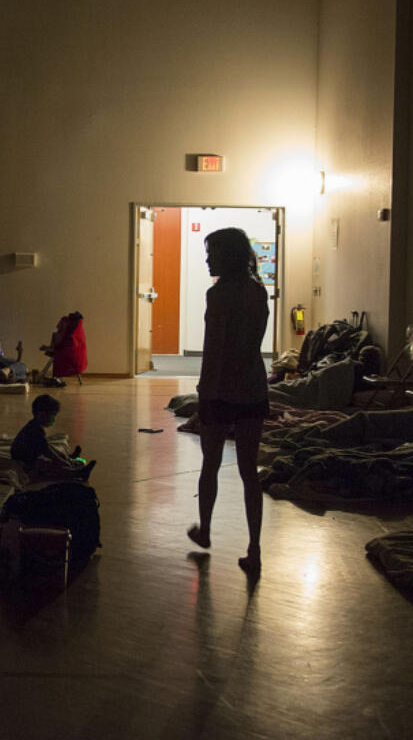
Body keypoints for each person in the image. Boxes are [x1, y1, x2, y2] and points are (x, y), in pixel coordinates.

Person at [187, 227, 269, 576]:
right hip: (251, 388)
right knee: (250, 472)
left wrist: (204, 393)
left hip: (220, 391)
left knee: (210, 464)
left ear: (228, 255)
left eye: (212, 253)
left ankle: (205, 531)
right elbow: (249, 346)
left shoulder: (217, 295)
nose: (208, 260)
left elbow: (215, 350)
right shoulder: (258, 292)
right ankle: (254, 548)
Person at [10, 394, 95, 481]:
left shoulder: (35, 426)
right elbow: (49, 453)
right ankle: (77, 474)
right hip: (25, 463)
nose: (54, 419)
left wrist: (64, 458)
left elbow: (48, 448)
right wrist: (64, 463)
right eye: (53, 415)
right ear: (42, 415)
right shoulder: (35, 431)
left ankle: (69, 458)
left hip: (30, 456)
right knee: (50, 466)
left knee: (53, 453)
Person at [38, 311, 88, 386]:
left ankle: (54, 379)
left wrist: (50, 348)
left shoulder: (71, 332)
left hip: (71, 356)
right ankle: (49, 377)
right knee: (54, 351)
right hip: (77, 356)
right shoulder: (77, 329)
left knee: (55, 355)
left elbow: (66, 347)